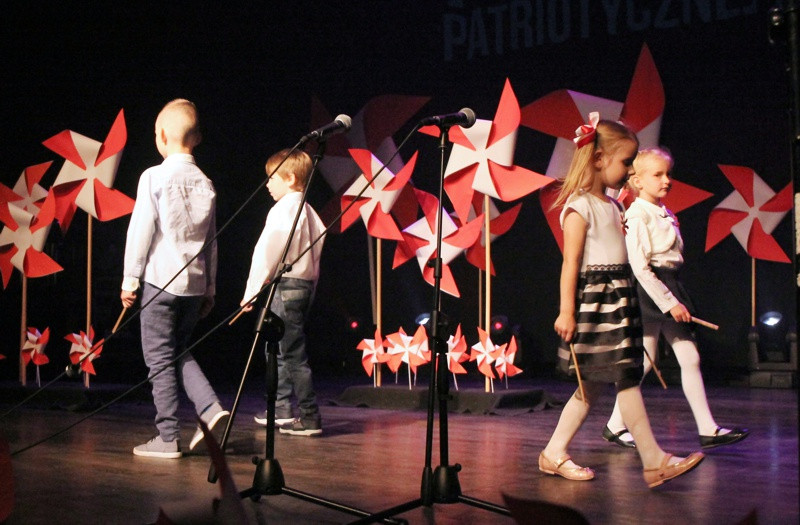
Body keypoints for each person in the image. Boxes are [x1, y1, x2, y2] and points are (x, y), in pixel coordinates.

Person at [541, 113, 704, 488]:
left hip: (620, 298)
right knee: (622, 381)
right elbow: (571, 264)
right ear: (599, 159)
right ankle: (654, 460)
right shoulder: (579, 208)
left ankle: (553, 452)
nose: (631, 170)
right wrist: (567, 311)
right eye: (626, 162)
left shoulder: (615, 206)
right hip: (597, 304)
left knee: (598, 386)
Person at [602, 147, 748, 450]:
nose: (666, 180)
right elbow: (640, 266)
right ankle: (616, 424)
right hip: (650, 288)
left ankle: (707, 428)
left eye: (668, 174)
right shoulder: (637, 215)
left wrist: (673, 296)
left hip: (669, 283)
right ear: (638, 181)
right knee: (644, 361)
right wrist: (670, 302)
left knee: (688, 357)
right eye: (658, 175)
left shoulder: (666, 213)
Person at [121, 99, 229, 458]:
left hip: (160, 283)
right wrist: (210, 288)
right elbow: (212, 243)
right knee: (178, 352)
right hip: (194, 287)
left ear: (162, 136)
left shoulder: (153, 176)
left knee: (159, 358)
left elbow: (140, 232)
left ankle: (167, 436)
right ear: (196, 137)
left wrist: (129, 280)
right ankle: (212, 409)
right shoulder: (207, 182)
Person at [240, 148, 325, 437]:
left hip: (287, 285)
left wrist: (252, 290)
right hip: (303, 286)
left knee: (291, 353)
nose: (267, 184)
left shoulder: (285, 209)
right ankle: (282, 408)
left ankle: (310, 416)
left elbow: (266, 252)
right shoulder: (310, 211)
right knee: (277, 348)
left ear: (290, 178)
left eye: (272, 178)